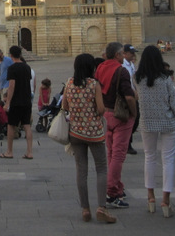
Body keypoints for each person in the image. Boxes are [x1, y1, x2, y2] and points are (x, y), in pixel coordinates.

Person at [135, 45, 175, 217]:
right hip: (168, 122)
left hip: (147, 122)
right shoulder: (165, 79)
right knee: (168, 159)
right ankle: (166, 200)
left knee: (149, 157)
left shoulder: (138, 78)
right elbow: (174, 103)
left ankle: (150, 197)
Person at [63, 53, 116, 224]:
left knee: (81, 170)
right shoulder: (94, 84)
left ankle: (85, 209)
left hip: (75, 133)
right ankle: (101, 208)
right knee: (101, 168)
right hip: (94, 133)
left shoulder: (69, 83)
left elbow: (64, 106)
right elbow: (100, 109)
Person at [94, 42, 136, 209]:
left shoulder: (100, 68)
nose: (123, 56)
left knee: (111, 153)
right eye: (121, 54)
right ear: (118, 55)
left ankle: (117, 186)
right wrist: (134, 113)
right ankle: (111, 191)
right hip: (120, 116)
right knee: (119, 155)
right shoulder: (121, 70)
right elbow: (129, 97)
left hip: (105, 115)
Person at [0, 45, 33, 160]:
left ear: (11, 55)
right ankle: (29, 152)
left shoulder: (12, 68)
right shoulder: (27, 67)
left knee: (11, 126)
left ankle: (9, 151)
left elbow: (12, 85)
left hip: (16, 101)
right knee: (27, 125)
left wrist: (7, 102)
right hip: (27, 100)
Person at [122, 44, 139, 155]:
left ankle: (126, 142)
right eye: (131, 53)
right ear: (125, 54)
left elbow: (133, 79)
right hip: (127, 95)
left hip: (133, 94)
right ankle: (127, 144)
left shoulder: (131, 64)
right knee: (131, 118)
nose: (133, 55)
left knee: (135, 119)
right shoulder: (123, 65)